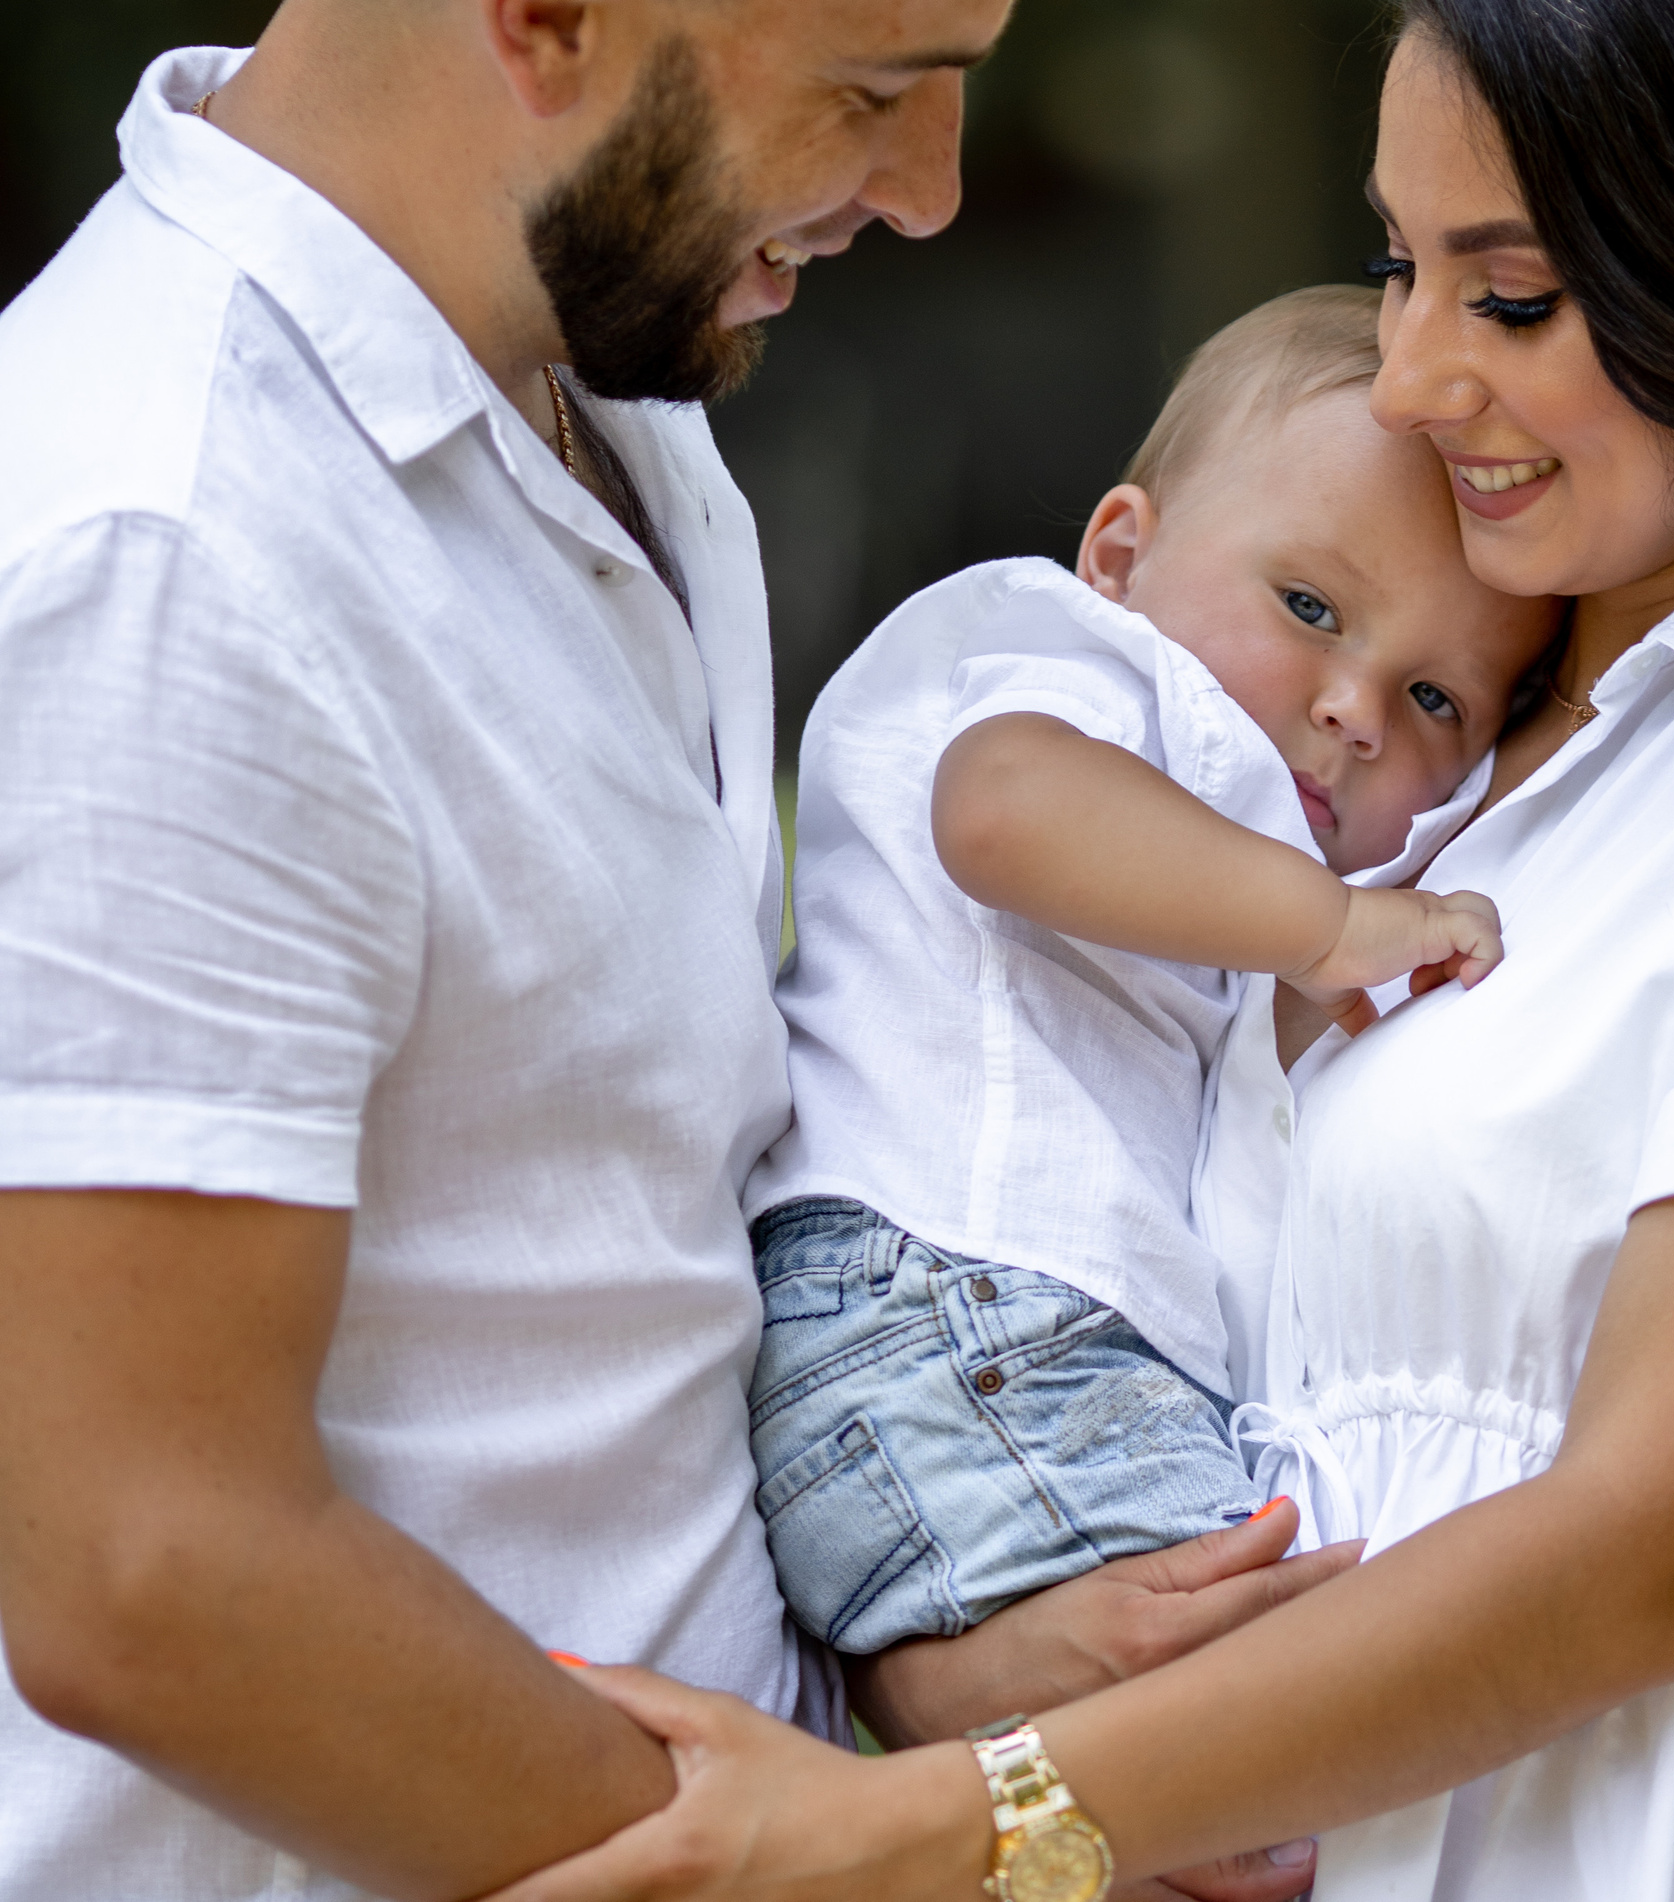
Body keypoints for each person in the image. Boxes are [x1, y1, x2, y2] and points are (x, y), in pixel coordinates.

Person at [485, 3, 1674, 1900]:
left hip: (1579, 1832)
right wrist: (948, 1672)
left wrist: (925, 1830)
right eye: (1392, 265)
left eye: (1503, 301)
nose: (1408, 378)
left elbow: (1640, 1563)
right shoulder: (1412, 773)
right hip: (1203, 1813)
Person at [0, 6, 1347, 1902]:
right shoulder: (162, 547)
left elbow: (616, 1292)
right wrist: (921, 1862)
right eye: (879, 91)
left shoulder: (597, 387)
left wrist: (931, 1626)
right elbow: (146, 1569)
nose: (936, 192)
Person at [747, 285, 1553, 1659]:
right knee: (1259, 1728)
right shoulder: (1088, 667)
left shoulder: (1236, 849)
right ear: (1123, 552)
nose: (1354, 709)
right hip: (960, 1300)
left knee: (1210, 1792)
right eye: (1309, 604)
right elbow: (1001, 810)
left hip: (985, 1350)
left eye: (1435, 700)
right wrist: (1330, 926)